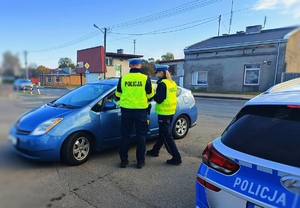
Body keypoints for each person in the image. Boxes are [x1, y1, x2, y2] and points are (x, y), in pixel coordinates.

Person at [115, 58, 154, 169]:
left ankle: (123, 161)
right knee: (141, 136)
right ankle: (140, 162)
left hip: (126, 110)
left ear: (130, 66)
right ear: (140, 66)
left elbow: (118, 95)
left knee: (125, 136)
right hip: (141, 111)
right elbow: (150, 95)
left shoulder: (123, 78)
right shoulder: (145, 78)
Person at [146, 64, 182, 165]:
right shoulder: (172, 83)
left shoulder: (162, 84)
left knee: (167, 135)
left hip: (164, 112)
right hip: (170, 112)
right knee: (162, 132)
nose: (157, 74)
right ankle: (155, 150)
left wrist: (153, 94)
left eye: (157, 72)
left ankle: (176, 157)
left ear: (161, 73)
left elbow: (160, 99)